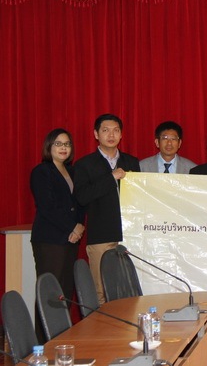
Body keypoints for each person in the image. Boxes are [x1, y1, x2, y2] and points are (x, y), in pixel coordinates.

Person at [73, 114, 140, 303]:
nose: (111, 135)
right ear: (96, 134)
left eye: (116, 130)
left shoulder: (131, 162)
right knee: (101, 290)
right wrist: (111, 178)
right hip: (101, 235)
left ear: (121, 135)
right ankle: (101, 323)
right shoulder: (84, 164)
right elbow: (82, 196)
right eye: (105, 130)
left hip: (130, 235)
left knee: (128, 288)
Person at [30, 129, 85, 325]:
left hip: (71, 238)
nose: (64, 148)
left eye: (67, 144)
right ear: (49, 146)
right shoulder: (41, 171)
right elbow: (47, 207)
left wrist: (79, 226)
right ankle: (43, 338)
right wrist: (72, 227)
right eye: (58, 144)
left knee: (65, 290)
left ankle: (62, 333)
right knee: (49, 291)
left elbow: (80, 202)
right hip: (50, 239)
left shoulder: (72, 171)